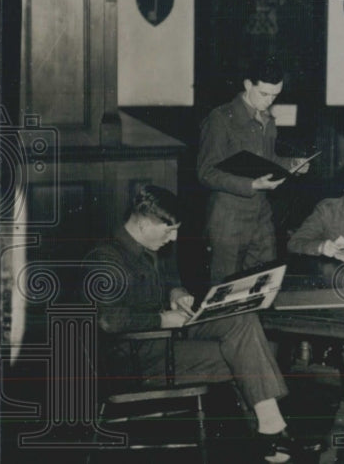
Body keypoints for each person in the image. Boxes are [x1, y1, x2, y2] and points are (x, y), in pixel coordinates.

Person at [82, 185, 303, 462]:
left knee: (241, 319)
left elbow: (167, 281)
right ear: (143, 223)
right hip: (135, 356)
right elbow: (108, 319)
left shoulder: (147, 245)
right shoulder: (105, 258)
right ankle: (271, 432)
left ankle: (269, 426)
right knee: (248, 353)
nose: (173, 238)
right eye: (169, 230)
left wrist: (176, 293)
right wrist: (162, 319)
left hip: (163, 338)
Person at [197, 57, 309, 284]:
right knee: (226, 287)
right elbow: (206, 172)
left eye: (275, 95)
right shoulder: (221, 118)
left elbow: (267, 159)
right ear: (248, 85)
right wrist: (251, 185)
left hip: (261, 213)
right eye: (264, 94)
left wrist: (292, 165)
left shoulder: (267, 119)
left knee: (264, 281)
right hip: (229, 215)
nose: (269, 101)